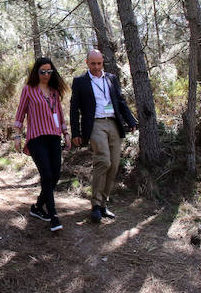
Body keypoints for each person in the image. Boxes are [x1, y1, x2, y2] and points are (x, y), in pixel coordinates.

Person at [69, 50, 138, 224]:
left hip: (114, 123)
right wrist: (76, 133)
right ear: (87, 62)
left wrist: (130, 120)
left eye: (99, 63)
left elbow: (120, 101)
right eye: (93, 64)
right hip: (95, 124)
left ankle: (103, 204)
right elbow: (74, 108)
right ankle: (95, 205)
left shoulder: (111, 78)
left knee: (114, 165)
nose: (97, 67)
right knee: (104, 161)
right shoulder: (80, 82)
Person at [13, 57, 69, 233]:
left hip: (54, 137)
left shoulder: (54, 91)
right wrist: (17, 135)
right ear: (36, 72)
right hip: (36, 138)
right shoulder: (28, 90)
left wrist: (66, 133)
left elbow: (59, 114)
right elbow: (20, 113)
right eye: (42, 71)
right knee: (46, 175)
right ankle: (53, 216)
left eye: (49, 71)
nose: (46, 74)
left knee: (55, 175)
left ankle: (37, 207)